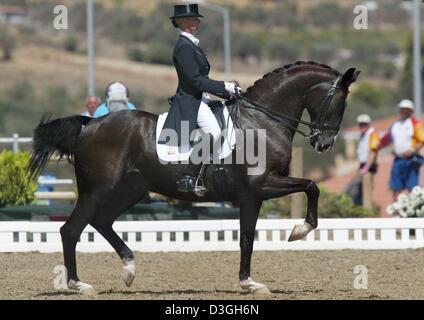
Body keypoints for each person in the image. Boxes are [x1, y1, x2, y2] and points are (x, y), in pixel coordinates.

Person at [159, 4, 241, 194]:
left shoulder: (191, 45)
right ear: (181, 22)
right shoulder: (184, 47)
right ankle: (188, 177)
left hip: (200, 98)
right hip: (191, 100)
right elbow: (195, 80)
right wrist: (224, 87)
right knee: (214, 132)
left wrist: (227, 91)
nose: (197, 21)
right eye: (193, 19)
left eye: (197, 18)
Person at [380, 99, 424, 201]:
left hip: (411, 160)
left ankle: (412, 212)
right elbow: (387, 139)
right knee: (395, 187)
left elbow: (422, 140)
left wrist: (412, 150)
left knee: (412, 187)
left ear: (410, 111)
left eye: (406, 109)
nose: (403, 111)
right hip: (398, 160)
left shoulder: (415, 123)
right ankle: (396, 211)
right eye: (402, 109)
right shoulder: (395, 124)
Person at [353, 114, 380, 205]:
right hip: (363, 165)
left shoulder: (372, 133)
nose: (362, 126)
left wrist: (366, 168)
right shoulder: (362, 135)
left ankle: (367, 213)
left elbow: (373, 152)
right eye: (360, 124)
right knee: (360, 190)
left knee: (366, 190)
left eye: (364, 124)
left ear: (369, 124)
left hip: (369, 166)